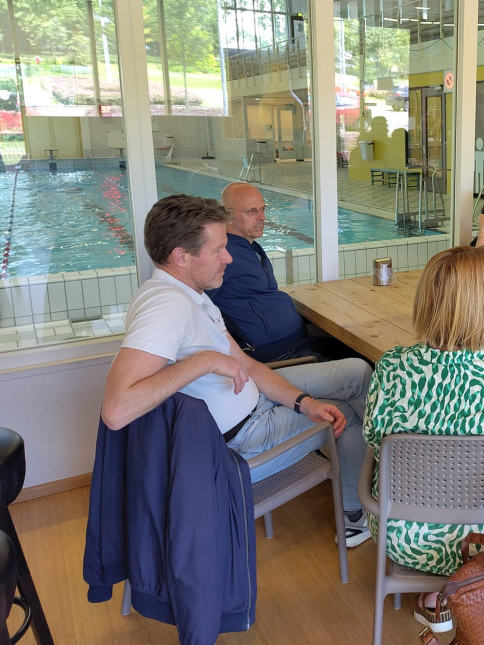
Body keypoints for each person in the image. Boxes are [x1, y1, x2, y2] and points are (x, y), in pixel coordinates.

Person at [102, 194, 374, 548]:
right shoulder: (166, 307)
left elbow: (246, 365)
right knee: (349, 416)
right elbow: (116, 409)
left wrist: (302, 402)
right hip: (243, 443)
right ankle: (357, 515)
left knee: (356, 371)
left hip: (254, 402)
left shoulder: (190, 295)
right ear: (181, 256)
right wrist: (204, 362)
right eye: (217, 250)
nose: (228, 258)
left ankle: (373, 477)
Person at [363, 246, 484, 633]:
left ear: (426, 301)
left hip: (407, 534)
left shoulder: (393, 368)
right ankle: (475, 593)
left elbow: (374, 438)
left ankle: (438, 598)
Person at [206, 181, 350, 363]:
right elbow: (201, 304)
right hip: (278, 355)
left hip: (296, 342)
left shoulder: (251, 247)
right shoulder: (224, 256)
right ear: (227, 215)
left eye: (263, 209)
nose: (261, 217)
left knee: (353, 348)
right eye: (252, 211)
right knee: (364, 365)